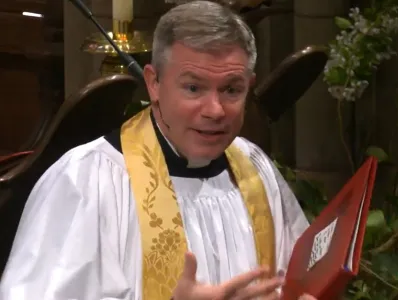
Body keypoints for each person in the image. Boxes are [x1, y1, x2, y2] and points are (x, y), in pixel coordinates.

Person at [0, 1, 316, 299]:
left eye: (232, 90)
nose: (215, 110)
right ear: (153, 83)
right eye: (193, 88)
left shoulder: (253, 165)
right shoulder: (88, 182)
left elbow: (304, 274)